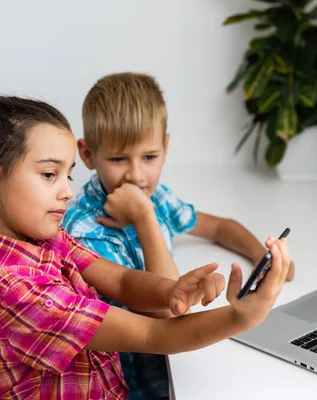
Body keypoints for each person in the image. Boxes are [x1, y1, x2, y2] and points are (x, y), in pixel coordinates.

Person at [0, 96, 291, 399]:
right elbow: (154, 334)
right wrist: (242, 316)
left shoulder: (39, 237)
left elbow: (122, 281)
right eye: (49, 175)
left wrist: (173, 290)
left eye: (69, 175)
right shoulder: (13, 288)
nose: (67, 191)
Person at [62, 72, 295, 399]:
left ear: (165, 147)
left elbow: (218, 227)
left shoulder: (156, 198)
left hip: (175, 371)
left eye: (149, 157)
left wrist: (260, 255)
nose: (137, 174)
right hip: (134, 385)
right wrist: (144, 218)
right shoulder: (83, 229)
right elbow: (169, 309)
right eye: (118, 159)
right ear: (87, 154)